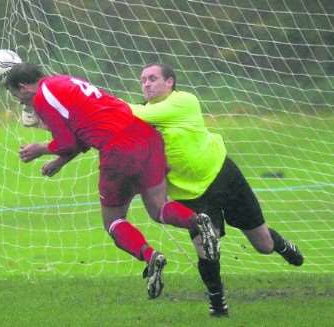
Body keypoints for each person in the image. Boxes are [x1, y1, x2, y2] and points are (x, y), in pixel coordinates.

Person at [4, 63, 220, 299]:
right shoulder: (64, 81)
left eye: (17, 96)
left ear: (23, 86)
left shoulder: (42, 99)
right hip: (147, 137)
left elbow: (66, 142)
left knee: (114, 221)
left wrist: (41, 149)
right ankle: (198, 221)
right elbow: (82, 133)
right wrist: (60, 162)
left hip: (118, 150)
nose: (21, 102)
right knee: (159, 207)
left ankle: (151, 257)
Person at [130, 63, 304, 315]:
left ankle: (283, 246)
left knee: (263, 245)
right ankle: (217, 300)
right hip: (191, 194)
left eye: (153, 78)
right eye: (143, 79)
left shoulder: (184, 101)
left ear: (170, 82)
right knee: (205, 248)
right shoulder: (140, 116)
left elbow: (129, 114)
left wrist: (95, 102)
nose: (146, 83)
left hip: (222, 174)